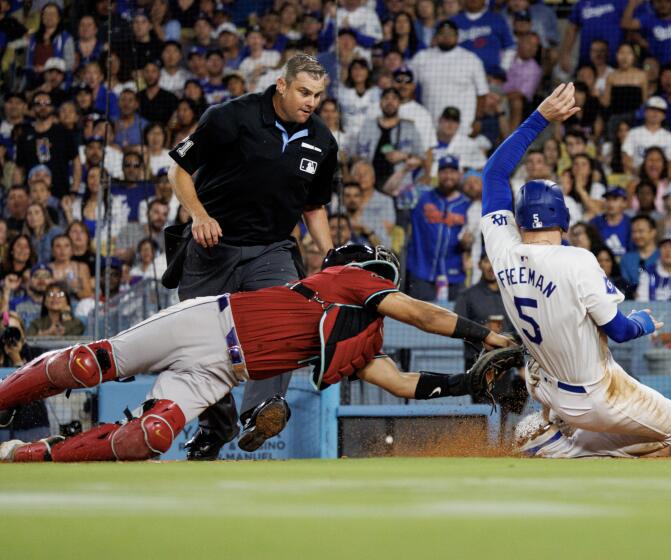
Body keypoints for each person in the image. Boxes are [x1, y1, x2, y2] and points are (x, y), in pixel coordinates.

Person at [0, 245, 513, 463]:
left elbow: (401, 383)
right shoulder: (346, 279)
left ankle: (26, 454)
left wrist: (470, 381)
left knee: (149, 438)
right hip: (208, 321)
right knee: (93, 364)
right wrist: (484, 337)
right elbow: (423, 315)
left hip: (222, 369)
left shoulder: (366, 338)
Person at [482, 83, 671, 459]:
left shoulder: (502, 250)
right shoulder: (578, 260)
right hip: (593, 396)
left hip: (544, 385)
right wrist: (643, 322)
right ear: (563, 218)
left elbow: (494, 175)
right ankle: (572, 452)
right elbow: (620, 331)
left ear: (519, 219)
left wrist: (539, 118)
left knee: (542, 413)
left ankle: (551, 436)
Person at [167, 54, 338, 460]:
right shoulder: (230, 117)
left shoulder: (323, 141)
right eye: (303, 91)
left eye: (317, 95)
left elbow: (313, 208)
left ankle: (261, 411)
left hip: (272, 247)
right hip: (213, 245)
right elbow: (178, 170)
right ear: (281, 85)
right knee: (196, 344)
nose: (310, 101)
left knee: (286, 317)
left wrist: (332, 259)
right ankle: (215, 427)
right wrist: (200, 215)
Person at [407, 156, 470, 302]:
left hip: (455, 272)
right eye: (444, 172)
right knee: (419, 320)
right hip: (421, 269)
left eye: (452, 172)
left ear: (459, 175)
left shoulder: (467, 204)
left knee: (454, 319)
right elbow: (391, 190)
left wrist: (468, 245)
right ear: (438, 175)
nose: (448, 176)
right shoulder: (422, 197)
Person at [410, 20, 489, 128]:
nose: (446, 37)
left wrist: (478, 120)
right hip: (430, 125)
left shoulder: (471, 59)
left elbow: (482, 93)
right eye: (442, 33)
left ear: (457, 37)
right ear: (436, 36)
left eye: (450, 34)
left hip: (464, 125)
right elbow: (408, 85)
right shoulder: (421, 57)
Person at [454, 252, 513, 368]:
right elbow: (457, 327)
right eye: (487, 261)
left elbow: (517, 331)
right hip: (476, 363)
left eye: (495, 262)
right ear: (479, 264)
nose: (491, 267)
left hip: (505, 364)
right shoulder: (467, 296)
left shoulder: (510, 296)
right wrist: (482, 330)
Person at [0, 312, 50, 446]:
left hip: (34, 424)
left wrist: (17, 361)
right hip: (2, 428)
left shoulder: (36, 354)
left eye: (15, 331)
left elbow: (40, 386)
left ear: (23, 333)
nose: (10, 336)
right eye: (5, 331)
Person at [621, 96, 671, 178]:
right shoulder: (633, 133)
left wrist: (666, 183)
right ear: (645, 112)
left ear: (664, 116)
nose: (655, 113)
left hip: (662, 182)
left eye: (659, 111)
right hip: (637, 179)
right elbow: (626, 160)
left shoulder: (670, 137)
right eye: (652, 109)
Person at [619, 214, 659, 294]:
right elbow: (626, 285)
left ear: (653, 232)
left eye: (641, 231)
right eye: (634, 232)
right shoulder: (626, 259)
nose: (637, 235)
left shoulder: (663, 256)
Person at [636, 235, 671, 302]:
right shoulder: (648, 273)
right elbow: (641, 301)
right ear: (659, 251)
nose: (668, 250)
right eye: (664, 247)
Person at [590, 187, 633, 257]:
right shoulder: (595, 223)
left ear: (624, 203)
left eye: (615, 199)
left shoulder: (631, 223)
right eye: (607, 199)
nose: (610, 203)